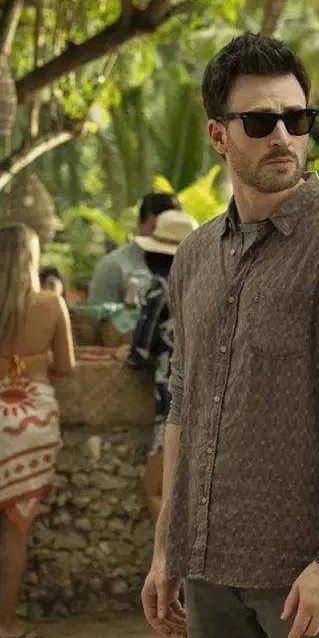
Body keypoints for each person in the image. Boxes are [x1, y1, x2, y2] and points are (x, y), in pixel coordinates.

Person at [141, 32, 319, 638]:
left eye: (297, 118)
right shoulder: (194, 257)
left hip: (309, 575)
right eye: (260, 122)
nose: (283, 136)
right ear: (219, 135)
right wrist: (167, 548)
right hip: (210, 569)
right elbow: (184, 404)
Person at [0, 223, 75, 638]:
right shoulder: (51, 302)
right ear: (31, 259)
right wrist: (33, 359)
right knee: (17, 522)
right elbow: (66, 366)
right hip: (34, 417)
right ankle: (7, 623)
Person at [124, 209, 198, 522]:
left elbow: (139, 354)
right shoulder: (210, 285)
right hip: (210, 406)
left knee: (154, 491)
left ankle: (173, 552)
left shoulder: (160, 288)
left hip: (172, 407)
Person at [87, 193, 182, 305]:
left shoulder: (189, 265)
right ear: (140, 223)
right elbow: (97, 313)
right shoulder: (113, 266)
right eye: (154, 229)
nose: (162, 237)